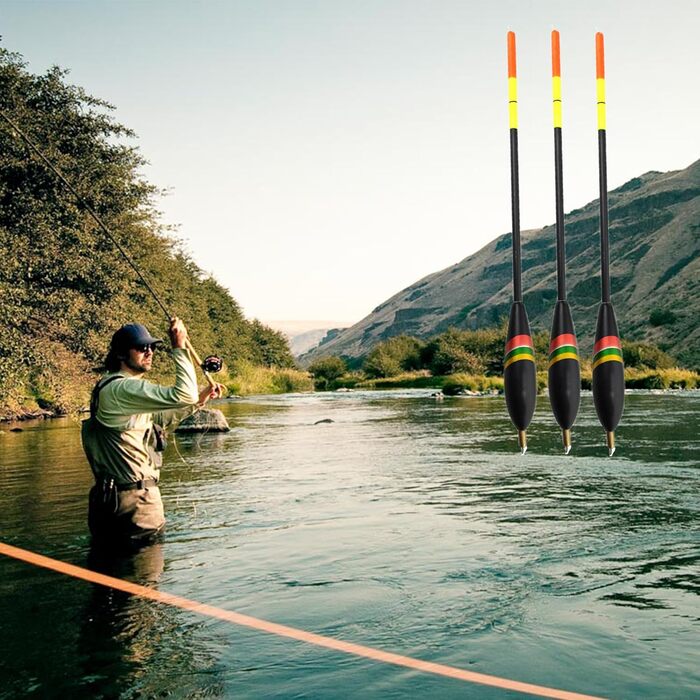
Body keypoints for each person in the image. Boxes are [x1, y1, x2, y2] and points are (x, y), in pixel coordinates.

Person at [81, 317, 223, 545]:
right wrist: (179, 346)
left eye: (152, 347)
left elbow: (159, 419)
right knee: (144, 578)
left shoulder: (109, 387)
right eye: (141, 347)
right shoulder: (123, 387)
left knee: (107, 574)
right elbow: (183, 394)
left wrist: (200, 399)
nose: (149, 352)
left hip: (108, 501)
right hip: (136, 503)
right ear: (120, 354)